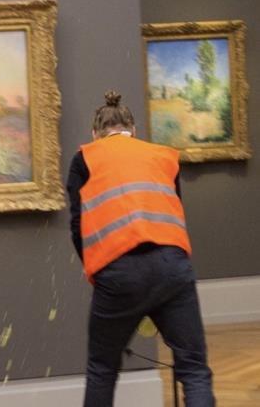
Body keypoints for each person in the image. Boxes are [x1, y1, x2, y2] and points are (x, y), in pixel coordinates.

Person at [66, 90, 215, 407]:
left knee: (102, 370)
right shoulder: (162, 155)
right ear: (133, 130)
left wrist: (98, 271)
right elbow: (174, 210)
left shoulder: (85, 158)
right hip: (172, 267)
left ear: (95, 134)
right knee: (194, 370)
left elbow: (77, 226)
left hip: (118, 271)